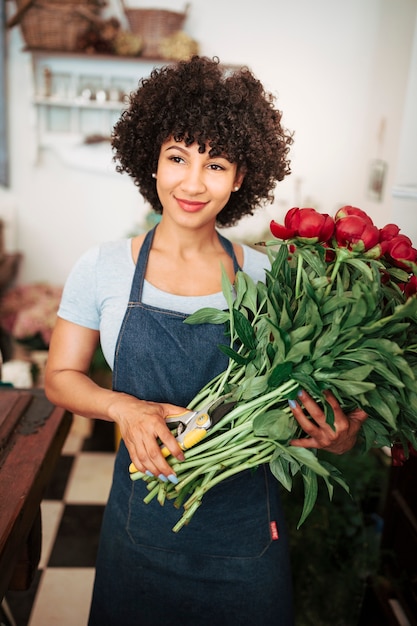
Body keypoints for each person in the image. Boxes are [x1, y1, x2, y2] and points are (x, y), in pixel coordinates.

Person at [44, 56, 367, 626]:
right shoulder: (102, 269)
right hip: (141, 527)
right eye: (178, 158)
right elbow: (59, 377)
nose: (192, 183)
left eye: (215, 164)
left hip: (245, 539)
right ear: (153, 160)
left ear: (242, 176)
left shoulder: (271, 278)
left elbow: (290, 404)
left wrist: (334, 438)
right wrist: (124, 406)